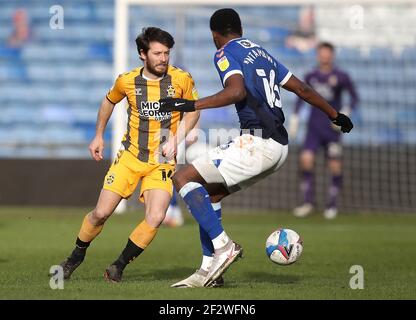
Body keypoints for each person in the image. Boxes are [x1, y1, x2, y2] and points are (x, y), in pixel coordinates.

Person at [158, 8, 353, 288]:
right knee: (211, 195)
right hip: (279, 147)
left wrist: (190, 104)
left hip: (257, 143)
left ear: (215, 35)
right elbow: (303, 89)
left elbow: (235, 91)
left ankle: (223, 247)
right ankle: (209, 270)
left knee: (182, 178)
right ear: (240, 28)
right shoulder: (261, 52)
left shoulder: (225, 52)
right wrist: (335, 114)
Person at [58, 27, 200, 282]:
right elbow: (108, 101)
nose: (163, 58)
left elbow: (193, 110)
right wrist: (99, 135)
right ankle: (76, 256)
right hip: (130, 157)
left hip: (162, 162)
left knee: (156, 217)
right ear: (143, 54)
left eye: (167, 53)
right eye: (157, 53)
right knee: (101, 213)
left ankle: (119, 265)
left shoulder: (181, 79)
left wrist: (178, 139)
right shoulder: (127, 80)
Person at [289, 42, 359, 219]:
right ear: (318, 55)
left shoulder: (341, 76)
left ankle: (332, 205)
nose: (324, 56)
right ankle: (307, 202)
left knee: (334, 165)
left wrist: (345, 113)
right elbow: (300, 96)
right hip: (314, 128)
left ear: (332, 55)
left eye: (327, 53)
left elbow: (354, 97)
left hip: (332, 129)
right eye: (321, 53)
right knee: (306, 160)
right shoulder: (311, 76)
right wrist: (295, 118)